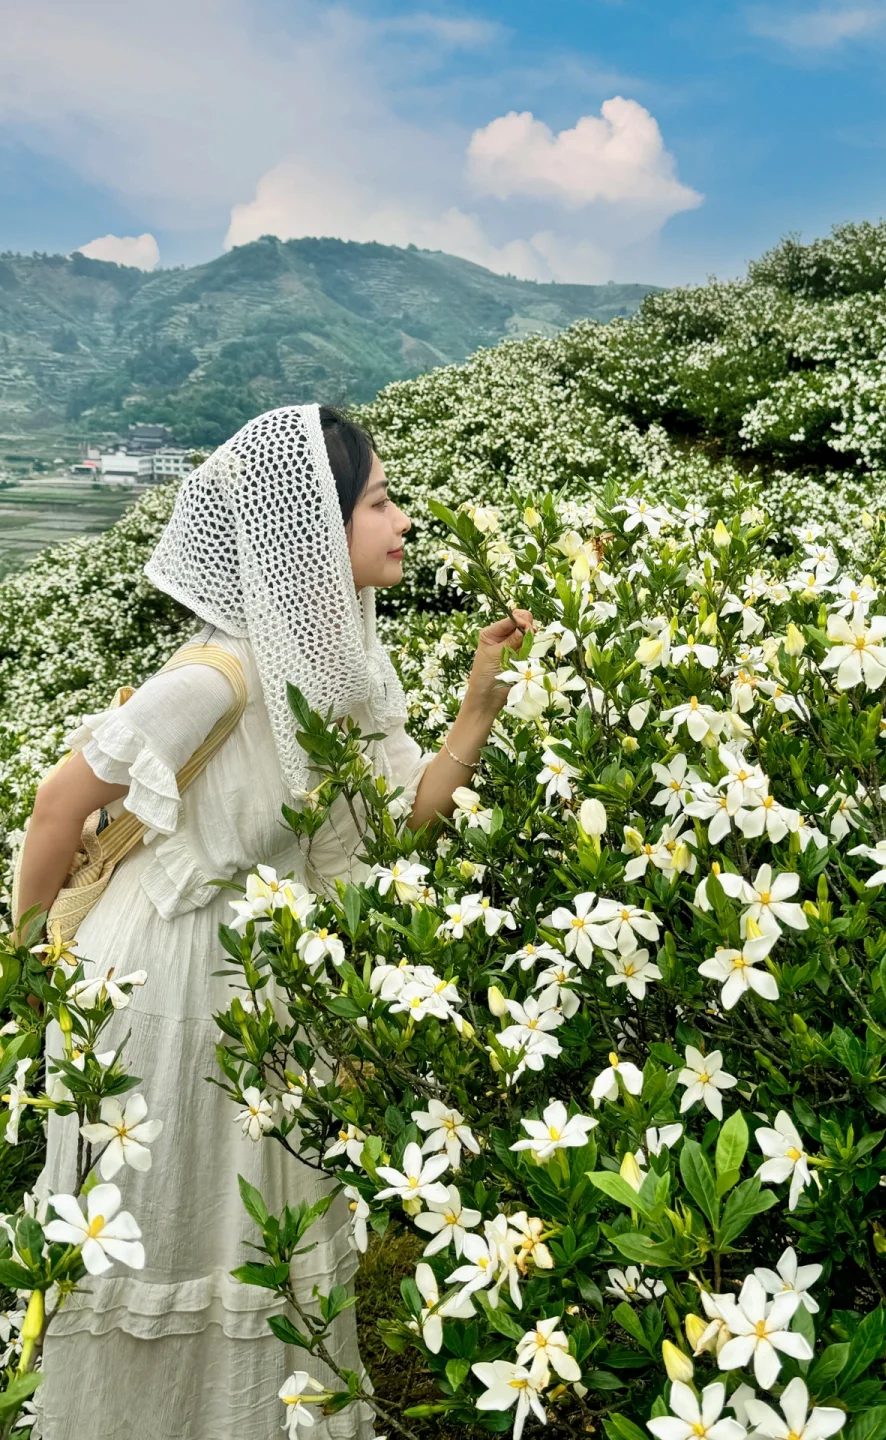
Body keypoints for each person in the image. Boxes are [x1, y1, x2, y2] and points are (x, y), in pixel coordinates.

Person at [13, 403, 532, 1439]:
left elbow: (397, 822)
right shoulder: (218, 674)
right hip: (156, 992)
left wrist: (479, 705)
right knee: (158, 1234)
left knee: (249, 1233)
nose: (402, 522)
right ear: (313, 527)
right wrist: (26, 975)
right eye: (379, 501)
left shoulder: (342, 673)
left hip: (262, 987)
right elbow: (58, 804)